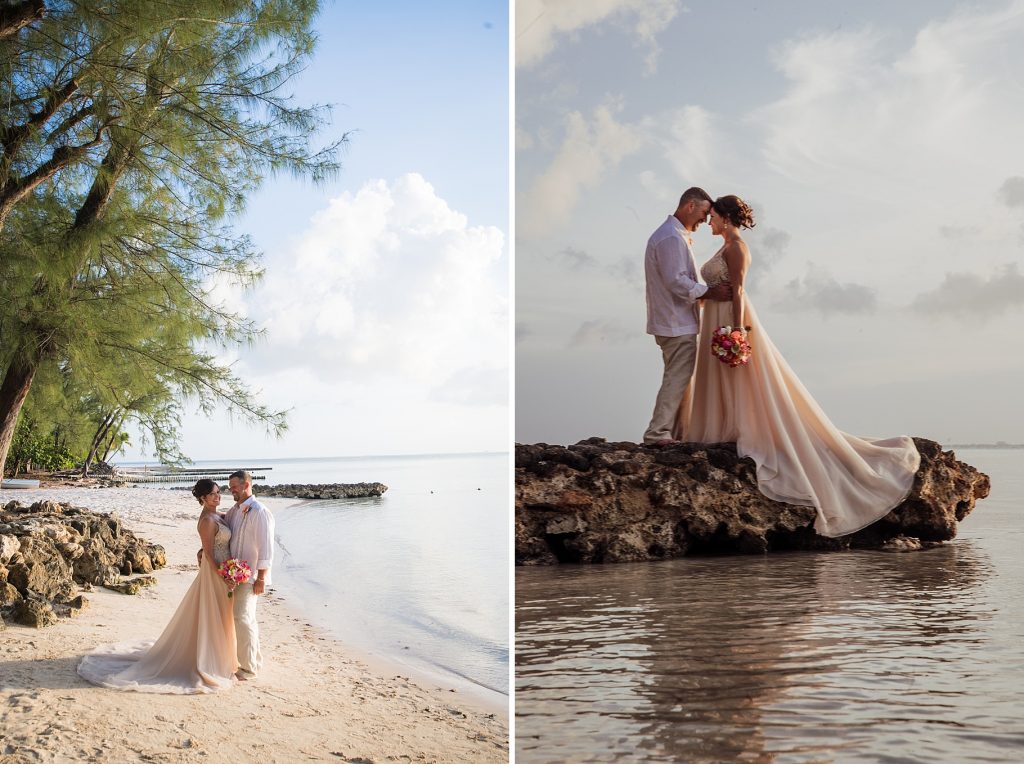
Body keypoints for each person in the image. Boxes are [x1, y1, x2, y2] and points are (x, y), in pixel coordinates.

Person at [679, 194, 921, 537]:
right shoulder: (722, 247)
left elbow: (740, 291)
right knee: (722, 379)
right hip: (713, 319)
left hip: (732, 321)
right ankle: (724, 428)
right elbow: (714, 288)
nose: (710, 223)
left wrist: (736, 331)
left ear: (726, 218)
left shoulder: (737, 249)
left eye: (714, 217)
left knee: (750, 381)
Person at [77, 479, 238, 693]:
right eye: (214, 494)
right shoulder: (207, 520)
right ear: (203, 498)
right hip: (214, 572)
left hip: (223, 568)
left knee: (221, 613)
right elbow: (208, 553)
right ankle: (209, 661)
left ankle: (221, 657)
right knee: (213, 613)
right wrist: (222, 575)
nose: (218, 497)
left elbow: (232, 521)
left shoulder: (218, 515)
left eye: (219, 492)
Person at [643, 187, 733, 445]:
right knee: (677, 376)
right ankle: (658, 432)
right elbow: (676, 281)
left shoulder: (672, 235)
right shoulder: (671, 238)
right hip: (675, 321)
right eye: (704, 213)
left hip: (674, 319)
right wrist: (710, 292)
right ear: (690, 206)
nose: (705, 221)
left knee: (679, 376)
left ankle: (675, 431)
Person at [222, 469, 274, 680]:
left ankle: (248, 669)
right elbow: (224, 527)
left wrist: (261, 578)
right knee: (246, 619)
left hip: (250, 576)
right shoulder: (235, 511)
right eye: (230, 487)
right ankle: (254, 661)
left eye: (234, 486)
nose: (231, 490)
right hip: (234, 574)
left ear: (246, 485)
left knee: (242, 618)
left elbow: (266, 548)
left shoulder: (260, 512)